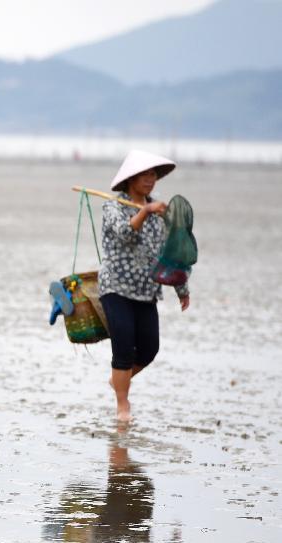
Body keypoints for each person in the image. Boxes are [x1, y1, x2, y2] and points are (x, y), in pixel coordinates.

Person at [98, 150, 190, 421]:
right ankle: (122, 404)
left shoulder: (161, 211)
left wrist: (181, 289)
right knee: (124, 346)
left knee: (149, 349)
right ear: (130, 179)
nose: (150, 180)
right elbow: (126, 234)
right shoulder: (113, 206)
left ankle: (119, 381)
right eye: (145, 175)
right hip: (116, 285)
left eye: (153, 175)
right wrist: (146, 211)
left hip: (147, 289)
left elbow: (171, 253)